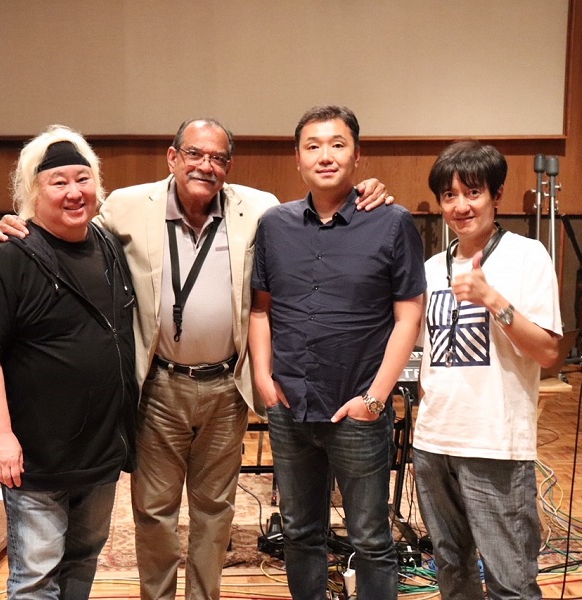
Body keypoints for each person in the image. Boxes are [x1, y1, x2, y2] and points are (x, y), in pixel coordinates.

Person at [0, 116, 392, 600]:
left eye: (218, 158)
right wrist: (19, 224)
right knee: (154, 511)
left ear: (229, 165)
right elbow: (67, 226)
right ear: (172, 157)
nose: (206, 166)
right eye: (195, 154)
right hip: (158, 386)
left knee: (214, 511)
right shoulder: (126, 206)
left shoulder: (259, 208)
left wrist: (365, 190)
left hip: (226, 387)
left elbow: (316, 214)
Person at [248, 105, 426, 600]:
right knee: (300, 533)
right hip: (290, 407)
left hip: (358, 410)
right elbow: (260, 309)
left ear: (357, 155)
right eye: (313, 146)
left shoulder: (392, 222)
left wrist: (375, 399)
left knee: (370, 539)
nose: (325, 155)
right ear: (297, 158)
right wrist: (263, 378)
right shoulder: (274, 224)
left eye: (337, 144)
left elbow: (408, 317)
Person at [0, 125, 137, 600]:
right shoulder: (7, 261)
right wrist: (0, 437)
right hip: (38, 457)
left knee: (83, 561)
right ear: (32, 193)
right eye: (58, 182)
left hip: (100, 452)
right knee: (36, 579)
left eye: (83, 178)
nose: (74, 192)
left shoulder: (109, 246)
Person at [412, 140, 562, 600]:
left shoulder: (527, 255)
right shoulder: (430, 267)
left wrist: (492, 299)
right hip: (434, 442)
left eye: (472, 192)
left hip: (495, 444)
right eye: (449, 196)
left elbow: (549, 352)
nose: (461, 206)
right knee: (452, 571)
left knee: (510, 580)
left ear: (496, 195)